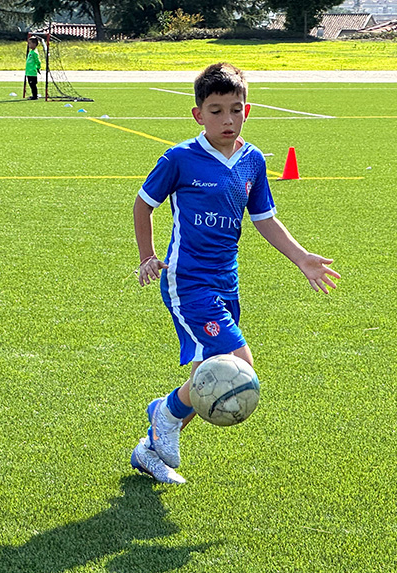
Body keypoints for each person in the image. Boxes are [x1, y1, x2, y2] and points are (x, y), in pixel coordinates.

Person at [129, 63, 340, 484]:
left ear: (248, 110)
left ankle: (150, 450)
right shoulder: (180, 159)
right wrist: (147, 255)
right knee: (237, 365)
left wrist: (301, 258)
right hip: (187, 281)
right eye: (216, 110)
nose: (227, 119)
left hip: (228, 282)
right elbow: (142, 204)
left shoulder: (253, 160)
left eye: (235, 110)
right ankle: (164, 414)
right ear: (197, 114)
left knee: (204, 377)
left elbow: (264, 219)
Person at [25, 36, 41, 100]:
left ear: (34, 44)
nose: (29, 45)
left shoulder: (34, 53)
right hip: (29, 71)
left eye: (30, 43)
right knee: (30, 84)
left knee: (33, 84)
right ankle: (33, 95)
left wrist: (38, 67)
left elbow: (38, 61)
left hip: (32, 72)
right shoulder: (31, 52)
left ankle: (35, 96)